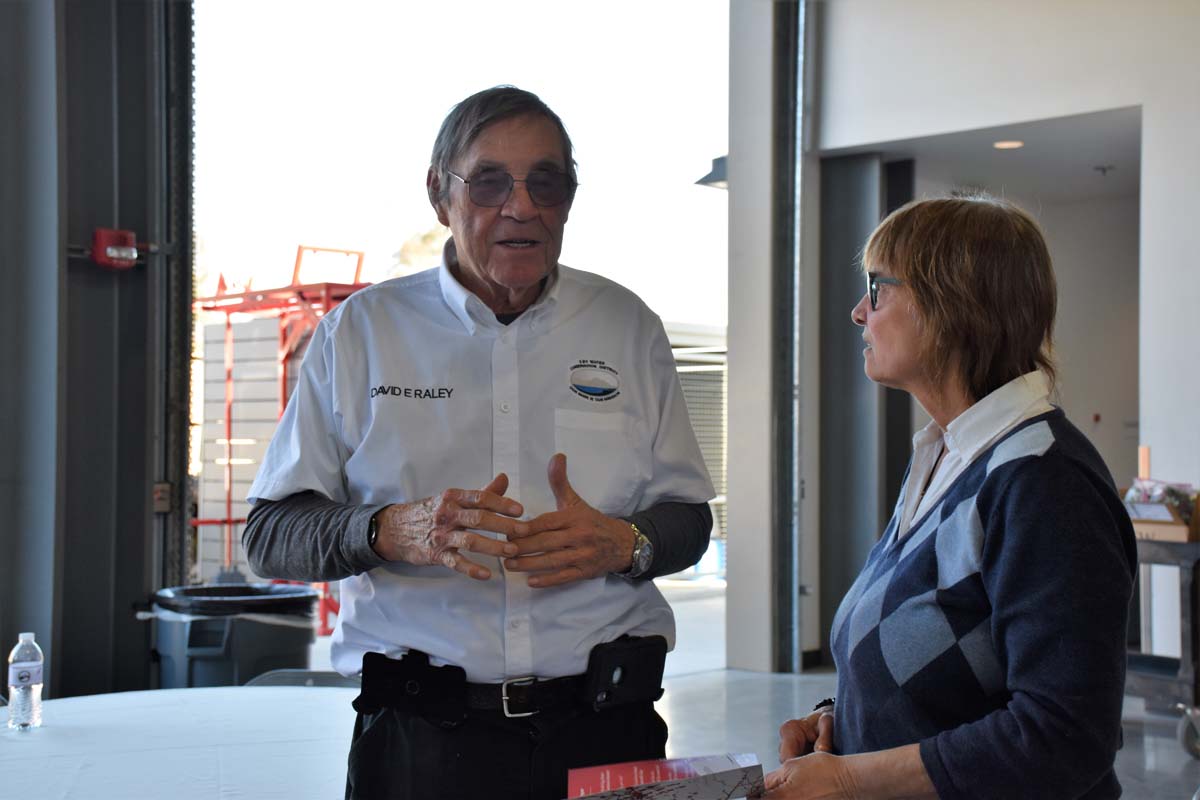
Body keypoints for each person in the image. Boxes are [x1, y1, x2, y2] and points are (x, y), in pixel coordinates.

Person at [243, 86, 715, 800]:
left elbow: (688, 519)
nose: (520, 205)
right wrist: (388, 530)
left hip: (606, 728)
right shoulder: (362, 334)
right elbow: (271, 534)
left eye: (545, 181)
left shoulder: (627, 326)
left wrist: (629, 542)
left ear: (569, 199)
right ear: (440, 194)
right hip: (420, 743)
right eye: (489, 180)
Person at [760, 195, 1137, 799]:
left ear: (950, 305)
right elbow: (947, 663)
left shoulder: (1044, 479)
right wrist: (845, 720)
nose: (860, 312)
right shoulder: (947, 454)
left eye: (877, 289)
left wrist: (854, 779)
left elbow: (1066, 735)